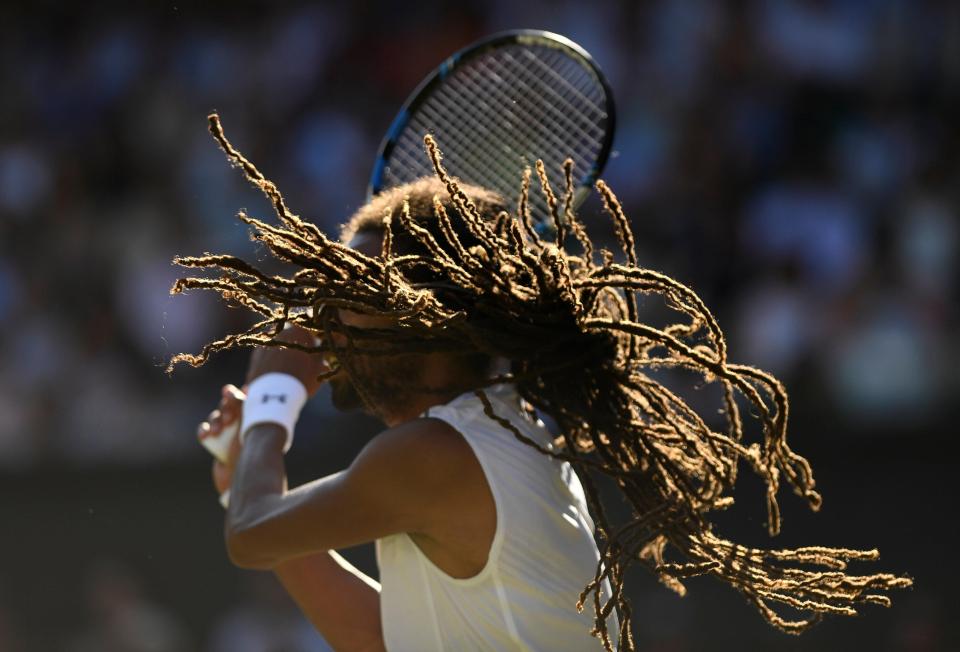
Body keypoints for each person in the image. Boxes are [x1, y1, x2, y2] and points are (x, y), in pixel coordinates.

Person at [179, 116, 909, 652]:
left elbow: (252, 536)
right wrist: (241, 472)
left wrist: (272, 403)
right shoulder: (489, 432)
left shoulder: (434, 458)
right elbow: (384, 639)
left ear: (432, 320)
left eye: (359, 293)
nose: (331, 312)